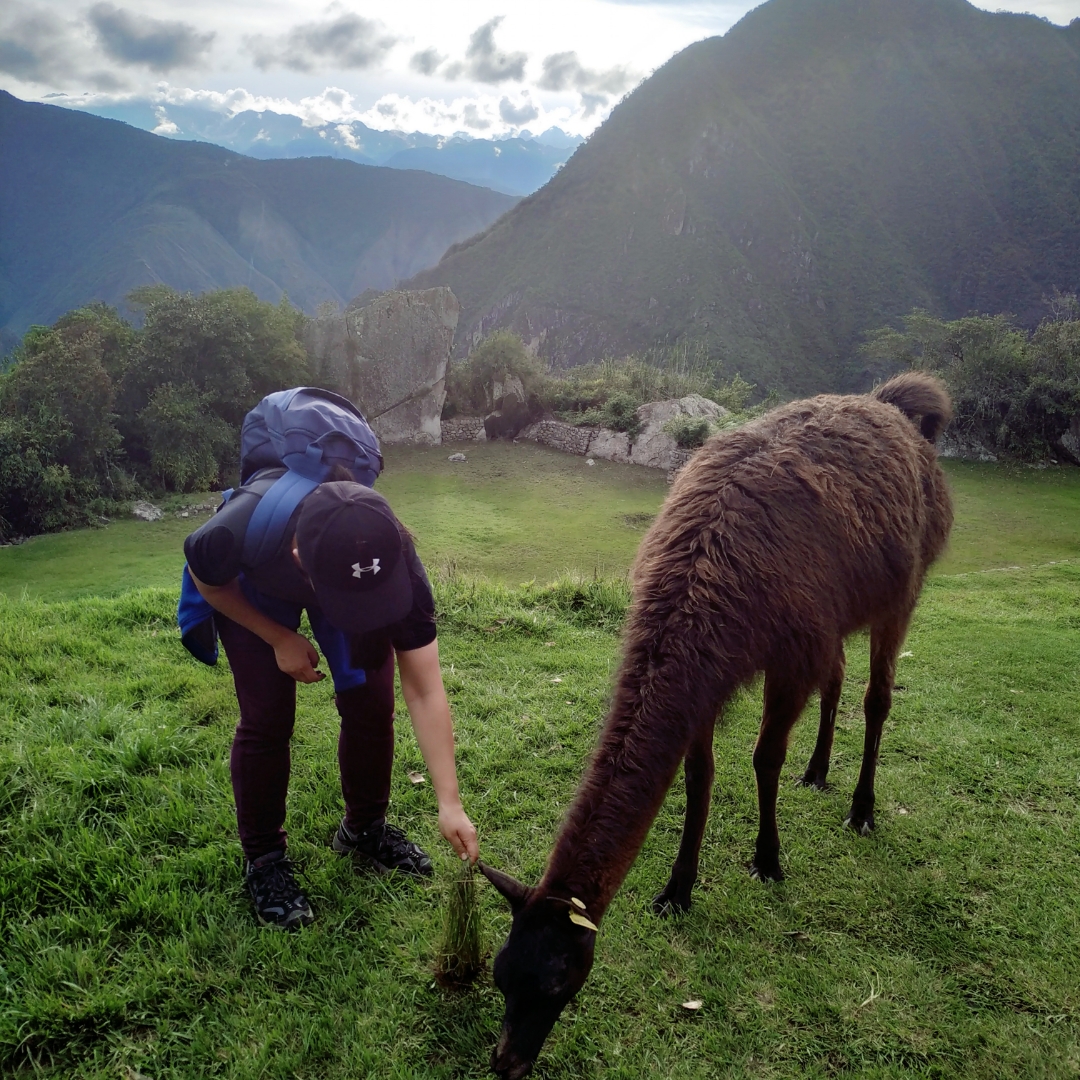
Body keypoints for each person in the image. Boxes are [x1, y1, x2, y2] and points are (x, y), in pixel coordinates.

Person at [184, 471, 478, 929]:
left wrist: (449, 801)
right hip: (256, 582)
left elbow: (423, 687)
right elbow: (210, 581)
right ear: (300, 557)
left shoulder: (393, 554)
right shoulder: (231, 531)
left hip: (342, 577)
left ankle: (363, 830)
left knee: (372, 703)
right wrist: (278, 637)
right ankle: (264, 860)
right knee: (267, 718)